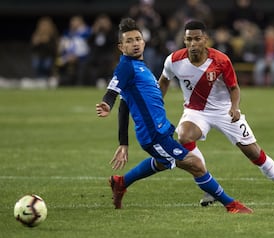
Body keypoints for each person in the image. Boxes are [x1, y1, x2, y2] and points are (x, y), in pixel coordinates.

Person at [95, 17, 253, 214]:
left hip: (161, 129)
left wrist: (123, 142)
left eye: (137, 39)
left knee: (162, 162)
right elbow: (113, 90)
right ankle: (231, 205)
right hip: (153, 135)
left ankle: (121, 182)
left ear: (143, 42)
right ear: (121, 46)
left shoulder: (140, 67)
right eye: (129, 41)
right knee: (195, 165)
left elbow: (125, 104)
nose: (135, 44)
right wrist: (107, 103)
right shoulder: (126, 67)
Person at [157, 20, 274, 206]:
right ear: (184, 40)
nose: (193, 44)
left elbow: (234, 88)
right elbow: (163, 81)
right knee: (184, 136)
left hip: (224, 111)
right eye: (188, 39)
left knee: (253, 153)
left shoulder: (221, 60)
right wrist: (156, 105)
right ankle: (209, 187)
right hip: (196, 112)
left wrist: (235, 108)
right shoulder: (174, 60)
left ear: (205, 39)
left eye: (197, 39)